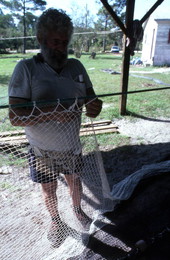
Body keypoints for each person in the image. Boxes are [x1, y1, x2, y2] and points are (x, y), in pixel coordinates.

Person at [8, 8, 102, 247]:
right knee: (48, 188)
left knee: (75, 181)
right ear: (41, 39)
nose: (60, 47)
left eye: (64, 42)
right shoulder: (26, 69)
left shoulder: (77, 67)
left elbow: (91, 99)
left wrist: (94, 106)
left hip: (71, 146)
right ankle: (55, 220)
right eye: (55, 41)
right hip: (41, 150)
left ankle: (77, 210)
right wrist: (50, 113)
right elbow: (14, 117)